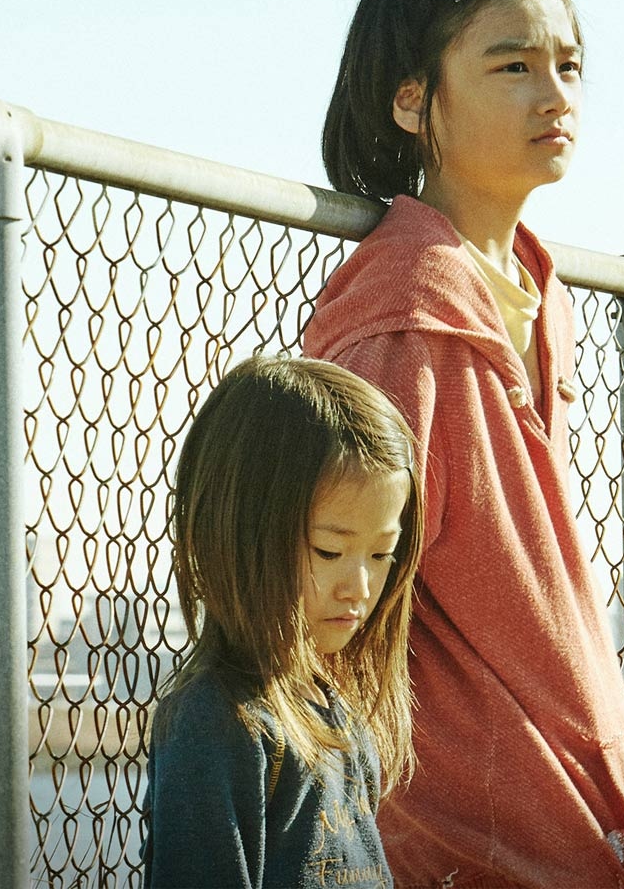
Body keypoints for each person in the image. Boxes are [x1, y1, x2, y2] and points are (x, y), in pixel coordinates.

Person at [304, 0, 624, 889]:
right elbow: (342, 606)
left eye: (569, 65)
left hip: (583, 813)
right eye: (513, 66)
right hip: (468, 834)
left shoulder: (536, 289)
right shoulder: (403, 313)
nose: (555, 94)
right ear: (413, 100)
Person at [142, 355, 424, 888]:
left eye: (381, 553)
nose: (360, 587)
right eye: (329, 550)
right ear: (242, 535)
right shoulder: (216, 724)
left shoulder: (338, 714)